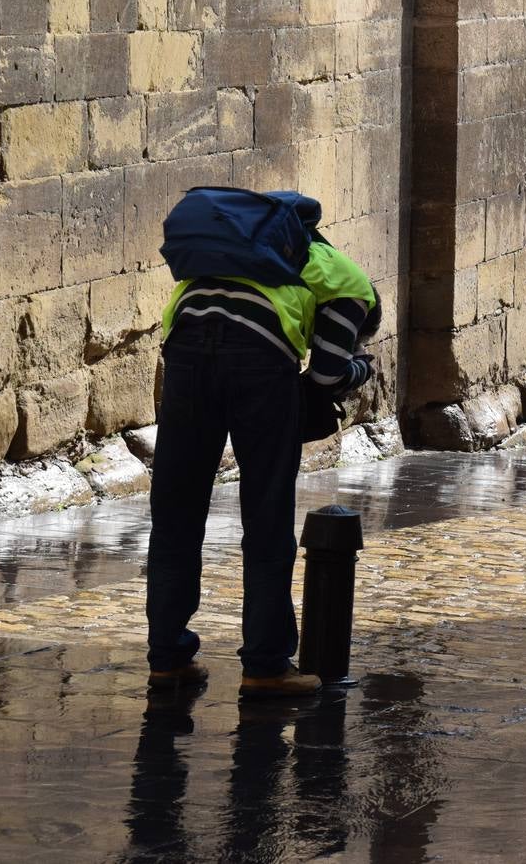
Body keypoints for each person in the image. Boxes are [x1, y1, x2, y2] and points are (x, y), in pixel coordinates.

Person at [145, 207, 379, 697]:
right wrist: (360, 367)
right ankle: (265, 665)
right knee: (266, 517)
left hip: (187, 352)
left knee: (175, 516)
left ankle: (168, 658)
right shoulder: (353, 288)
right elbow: (328, 374)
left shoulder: (243, 254)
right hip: (258, 360)